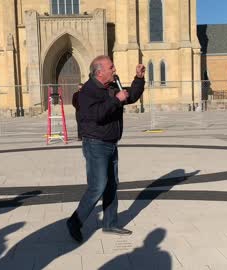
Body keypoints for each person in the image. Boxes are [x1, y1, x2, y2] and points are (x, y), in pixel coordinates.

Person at [66, 55, 146, 243]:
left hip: (111, 143)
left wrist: (139, 79)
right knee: (97, 186)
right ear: (100, 71)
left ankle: (110, 223)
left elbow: (130, 96)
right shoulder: (88, 91)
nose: (115, 69)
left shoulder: (111, 86)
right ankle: (74, 222)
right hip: (96, 144)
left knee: (111, 184)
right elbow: (95, 115)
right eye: (111, 67)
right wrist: (116, 100)